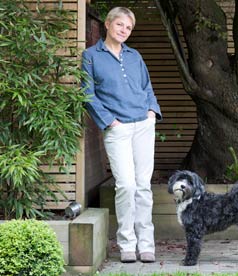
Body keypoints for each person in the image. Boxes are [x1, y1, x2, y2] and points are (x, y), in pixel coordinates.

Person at [81, 7, 162, 263]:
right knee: (125, 185)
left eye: (128, 28)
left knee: (142, 187)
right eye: (120, 25)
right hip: (117, 129)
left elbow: (147, 87)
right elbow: (88, 94)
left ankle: (146, 244)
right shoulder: (91, 56)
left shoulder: (135, 56)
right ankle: (127, 244)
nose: (124, 31)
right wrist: (110, 122)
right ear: (107, 24)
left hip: (143, 126)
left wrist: (152, 112)